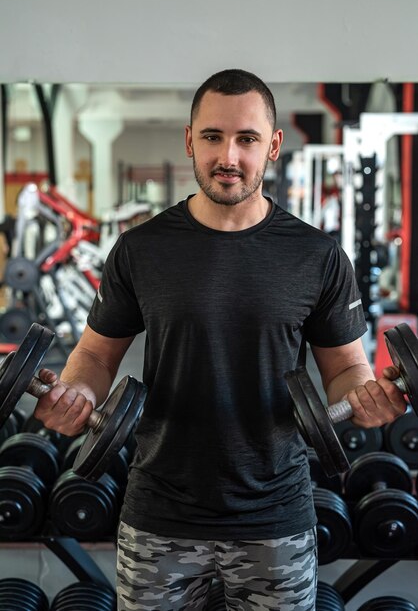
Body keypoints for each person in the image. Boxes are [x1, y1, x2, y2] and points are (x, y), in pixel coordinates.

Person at [34, 69, 406, 611]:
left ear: (273, 146)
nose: (227, 156)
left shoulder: (316, 256)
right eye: (211, 136)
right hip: (160, 515)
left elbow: (347, 370)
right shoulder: (141, 249)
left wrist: (366, 397)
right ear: (189, 140)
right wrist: (77, 396)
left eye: (246, 138)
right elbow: (93, 354)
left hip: (276, 518)